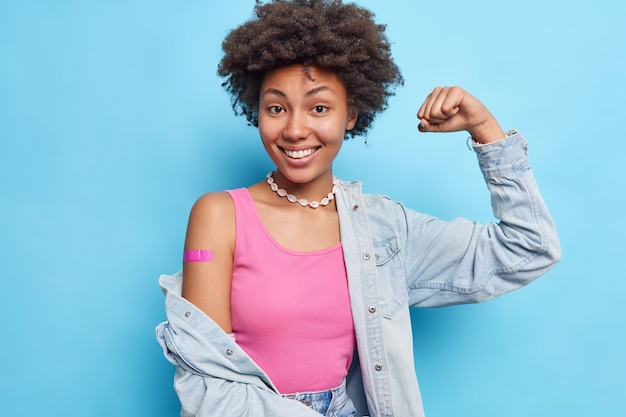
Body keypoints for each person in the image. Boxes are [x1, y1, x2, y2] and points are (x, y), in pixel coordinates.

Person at [156, 1, 561, 416]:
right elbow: (208, 379)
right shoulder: (219, 215)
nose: (295, 129)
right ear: (256, 109)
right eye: (276, 107)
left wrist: (486, 130)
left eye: (319, 108)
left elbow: (528, 248)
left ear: (350, 114)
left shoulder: (384, 230)